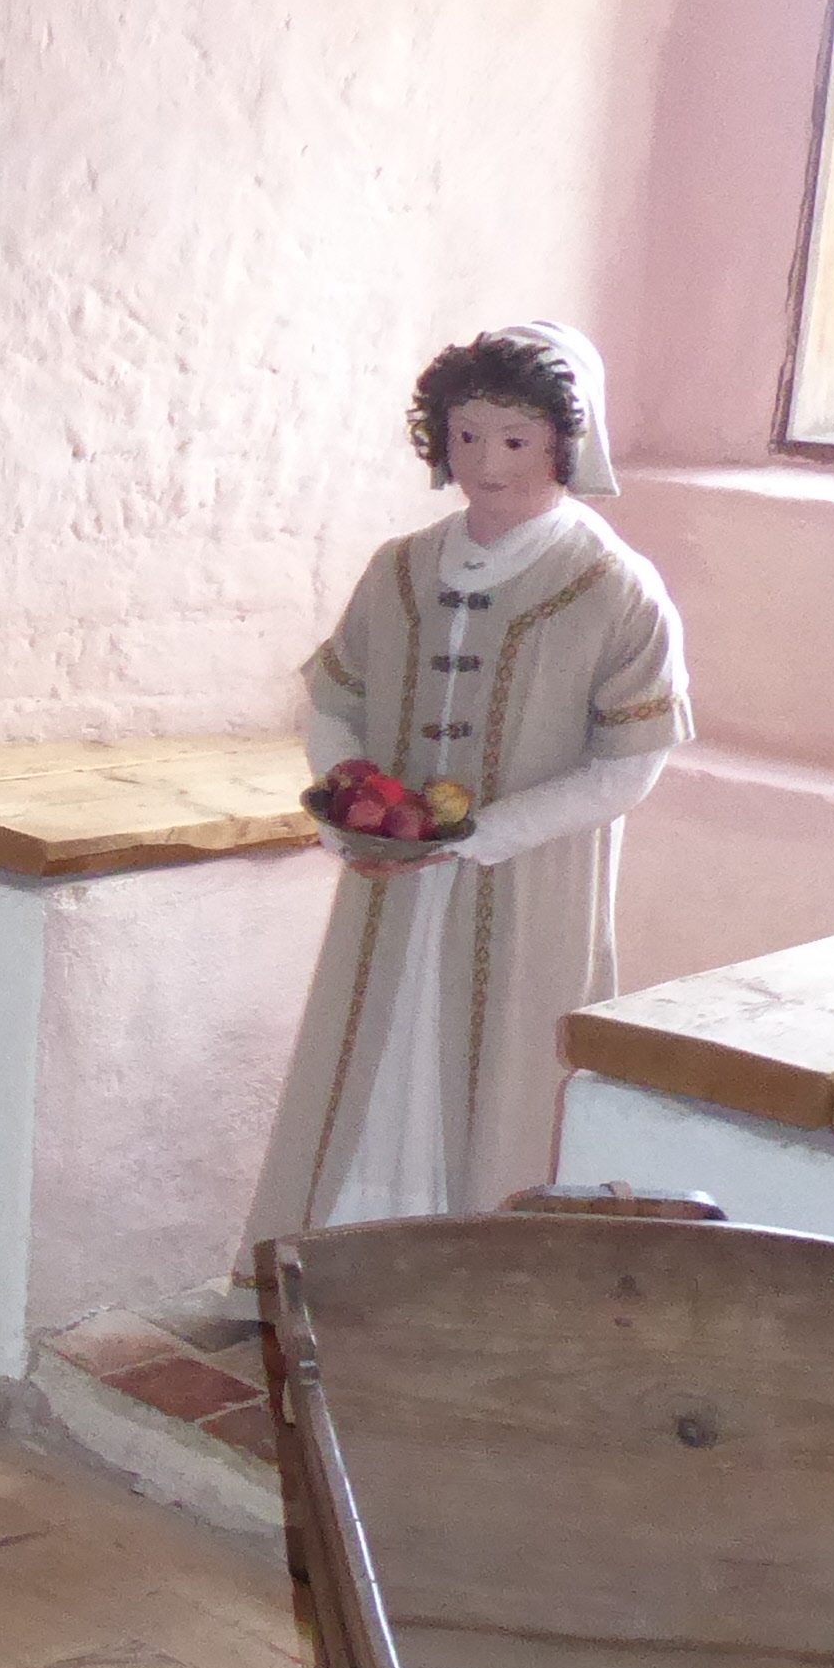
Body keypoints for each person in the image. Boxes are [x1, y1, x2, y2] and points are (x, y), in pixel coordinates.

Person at [242, 322, 692, 1242]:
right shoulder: (399, 567)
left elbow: (630, 764)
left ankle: (481, 1282)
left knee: (507, 1075)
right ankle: (348, 1264)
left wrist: (482, 836)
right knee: (370, 1058)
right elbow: (335, 700)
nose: (487, 462)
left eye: (516, 438)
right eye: (467, 434)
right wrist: (346, 804)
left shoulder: (614, 587)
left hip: (528, 889)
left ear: (568, 443)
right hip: (387, 888)